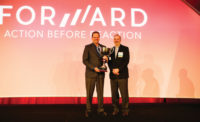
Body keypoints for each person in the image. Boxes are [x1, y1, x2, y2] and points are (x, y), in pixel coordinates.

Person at [82, 31, 107, 117]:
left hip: (101, 74)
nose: (96, 38)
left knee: (100, 93)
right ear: (92, 38)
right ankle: (88, 110)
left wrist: (106, 58)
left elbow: (106, 60)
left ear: (99, 37)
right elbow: (85, 60)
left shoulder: (103, 47)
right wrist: (93, 68)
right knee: (89, 93)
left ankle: (101, 109)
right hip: (90, 74)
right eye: (94, 37)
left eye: (97, 37)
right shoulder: (88, 47)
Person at [107, 34, 130, 117]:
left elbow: (126, 61)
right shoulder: (110, 50)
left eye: (118, 39)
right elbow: (109, 62)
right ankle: (115, 109)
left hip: (122, 75)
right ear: (113, 40)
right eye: (115, 39)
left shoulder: (125, 49)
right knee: (114, 94)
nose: (116, 40)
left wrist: (118, 69)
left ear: (120, 40)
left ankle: (125, 110)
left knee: (124, 94)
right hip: (113, 75)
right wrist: (112, 70)